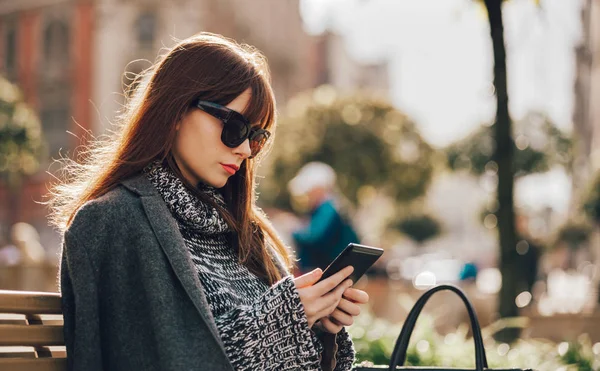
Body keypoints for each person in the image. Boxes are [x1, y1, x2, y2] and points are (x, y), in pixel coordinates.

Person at [48, 33, 369, 371]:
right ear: (175, 112)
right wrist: (280, 322)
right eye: (235, 127)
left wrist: (315, 324)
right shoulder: (111, 221)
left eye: (257, 138)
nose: (245, 150)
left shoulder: (245, 230)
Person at [288, 162, 360, 273]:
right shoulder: (326, 208)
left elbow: (312, 237)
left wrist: (293, 230)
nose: (307, 195)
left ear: (319, 189)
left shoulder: (328, 208)